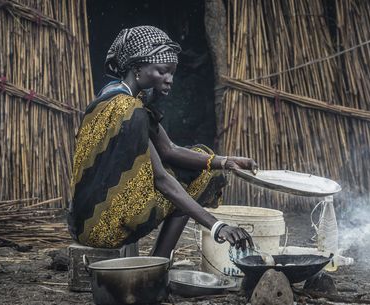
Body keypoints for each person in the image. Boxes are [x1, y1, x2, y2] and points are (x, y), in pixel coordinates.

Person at [67, 26, 257, 258]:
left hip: (82, 222)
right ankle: (159, 263)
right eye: (162, 71)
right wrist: (218, 226)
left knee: (204, 160)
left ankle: (157, 264)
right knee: (201, 176)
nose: (169, 80)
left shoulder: (117, 94)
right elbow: (162, 180)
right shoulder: (127, 109)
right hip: (103, 228)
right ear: (138, 68)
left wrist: (226, 162)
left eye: (172, 73)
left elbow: (169, 150)